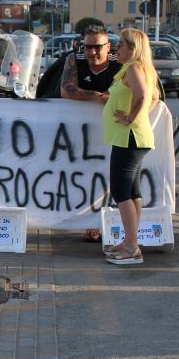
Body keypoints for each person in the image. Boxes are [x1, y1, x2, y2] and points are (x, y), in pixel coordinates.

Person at [102, 28, 159, 265]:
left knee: (121, 191)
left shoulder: (135, 68)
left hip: (129, 138)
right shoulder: (137, 69)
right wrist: (138, 116)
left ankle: (132, 246)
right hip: (132, 137)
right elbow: (154, 96)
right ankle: (130, 240)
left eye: (121, 46)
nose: (117, 50)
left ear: (133, 48)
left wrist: (131, 118)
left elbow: (146, 95)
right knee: (132, 191)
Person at [60, 24, 121, 242]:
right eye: (87, 47)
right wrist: (97, 96)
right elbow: (67, 89)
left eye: (97, 47)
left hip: (115, 131)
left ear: (108, 47)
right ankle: (90, 222)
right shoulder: (73, 59)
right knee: (85, 175)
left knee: (113, 175)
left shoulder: (120, 62)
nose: (91, 52)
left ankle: (116, 222)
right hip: (81, 134)